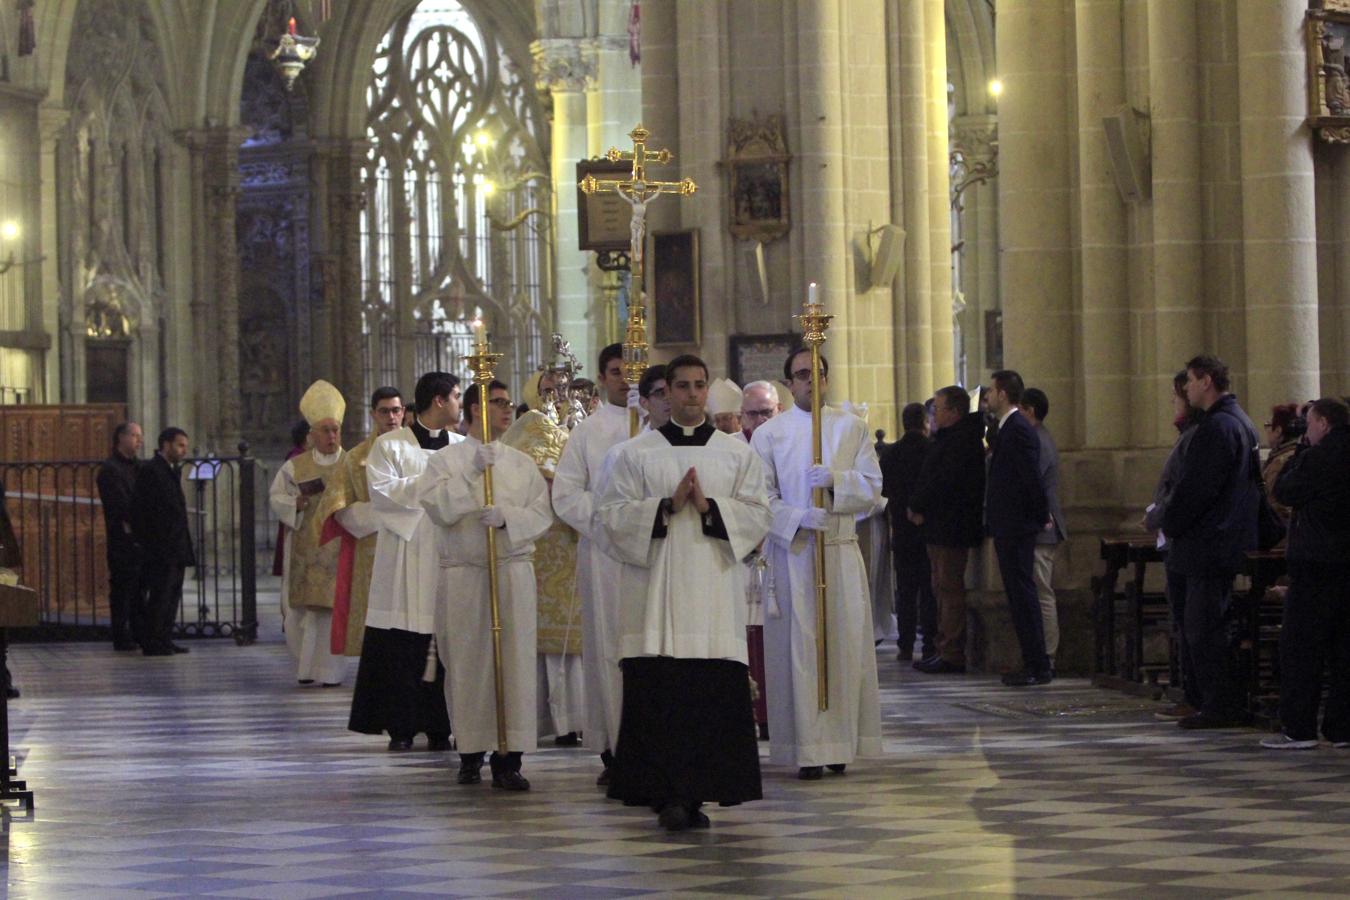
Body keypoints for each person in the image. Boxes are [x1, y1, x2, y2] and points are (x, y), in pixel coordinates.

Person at [596, 354, 772, 830]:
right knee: (661, 697)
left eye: (699, 386)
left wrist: (710, 507)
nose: (692, 394)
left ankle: (697, 795)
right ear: (666, 393)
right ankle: (665, 794)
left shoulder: (736, 454)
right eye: (682, 386)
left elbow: (759, 512)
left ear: (707, 390)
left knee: (706, 700)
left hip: (712, 596)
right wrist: (664, 508)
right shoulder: (636, 454)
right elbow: (609, 516)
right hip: (654, 596)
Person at [751, 348, 883, 780]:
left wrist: (837, 482)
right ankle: (806, 747)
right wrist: (796, 517)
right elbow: (757, 499)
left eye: (817, 372)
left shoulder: (852, 428)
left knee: (842, 645)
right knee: (800, 649)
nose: (810, 380)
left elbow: (873, 489)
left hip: (839, 550)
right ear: (789, 383)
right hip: (794, 554)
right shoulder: (769, 435)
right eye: (801, 374)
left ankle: (840, 743)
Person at [422, 379, 553, 791]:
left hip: (511, 570)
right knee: (467, 662)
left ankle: (509, 757)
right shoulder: (446, 460)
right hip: (466, 572)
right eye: (497, 402)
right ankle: (470, 750)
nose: (506, 409)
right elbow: (439, 508)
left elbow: (542, 512)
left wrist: (509, 518)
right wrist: (472, 475)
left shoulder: (520, 463)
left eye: (508, 402)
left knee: (513, 663)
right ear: (476, 409)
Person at [349, 373, 458, 752]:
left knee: (447, 640)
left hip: (447, 551)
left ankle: (443, 726)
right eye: (457, 397)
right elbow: (383, 494)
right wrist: (429, 487)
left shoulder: (461, 446)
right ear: (439, 401)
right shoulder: (390, 446)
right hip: (405, 552)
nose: (461, 404)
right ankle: (402, 725)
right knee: (402, 639)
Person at [1161, 354, 1260, 729]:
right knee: (1204, 624)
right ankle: (1216, 701)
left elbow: (1196, 490)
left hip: (1209, 543)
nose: (1185, 388)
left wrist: (1170, 521)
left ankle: (1221, 704)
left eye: (1189, 380)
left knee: (1204, 627)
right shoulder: (1237, 422)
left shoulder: (1219, 427)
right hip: (1220, 540)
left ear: (1206, 381)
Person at [551, 343, 633, 784]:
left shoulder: (658, 426)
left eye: (631, 370)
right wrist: (610, 520)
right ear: (602, 379)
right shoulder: (589, 432)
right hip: (605, 552)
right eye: (616, 371)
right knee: (609, 646)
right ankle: (614, 745)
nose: (625, 378)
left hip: (658, 554)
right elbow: (565, 494)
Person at [1262, 398, 1350, 749]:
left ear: (1324, 424)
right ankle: (1342, 728)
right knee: (1344, 650)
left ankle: (1298, 729)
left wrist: (1299, 449)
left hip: (1316, 565)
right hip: (1345, 565)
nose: (1306, 431)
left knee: (1301, 648)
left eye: (1309, 424)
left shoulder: (1319, 456)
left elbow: (1283, 489)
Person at [502, 371, 585, 746]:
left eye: (561, 389)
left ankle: (575, 719)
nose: (556, 395)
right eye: (547, 390)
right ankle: (546, 719)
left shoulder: (576, 428)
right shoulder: (527, 428)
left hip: (570, 541)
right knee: (542, 644)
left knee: (571, 641)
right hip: (540, 540)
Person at [269, 380, 348, 687]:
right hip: (303, 545)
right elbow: (277, 498)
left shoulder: (351, 463)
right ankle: (305, 669)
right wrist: (296, 503)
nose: (331, 436)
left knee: (331, 612)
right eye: (325, 430)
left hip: (339, 547)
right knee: (303, 614)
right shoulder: (294, 467)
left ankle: (331, 672)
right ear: (312, 434)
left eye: (335, 430)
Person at [317, 388, 404, 661]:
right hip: (372, 550)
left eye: (396, 410)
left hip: (412, 548)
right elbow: (337, 509)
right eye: (384, 411)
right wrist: (385, 514)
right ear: (372, 414)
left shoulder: (418, 451)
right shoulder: (355, 458)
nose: (391, 417)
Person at [907, 386, 986, 674]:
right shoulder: (951, 438)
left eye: (937, 409)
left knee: (949, 589)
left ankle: (952, 652)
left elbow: (944, 482)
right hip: (940, 525)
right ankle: (943, 647)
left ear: (954, 411)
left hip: (951, 526)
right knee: (940, 588)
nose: (933, 414)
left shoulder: (962, 441)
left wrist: (918, 505)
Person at [983, 370, 1052, 686]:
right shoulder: (1008, 427)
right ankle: (1033, 662)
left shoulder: (1019, 429)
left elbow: (1029, 477)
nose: (987, 397)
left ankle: (1037, 665)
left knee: (1023, 595)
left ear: (1003, 393)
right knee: (1018, 595)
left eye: (991, 392)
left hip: (1016, 524)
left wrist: (1040, 514)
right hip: (1008, 523)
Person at [1146, 370, 1207, 721]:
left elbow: (1185, 491)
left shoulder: (1198, 436)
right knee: (1186, 622)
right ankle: (1192, 694)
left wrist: (1158, 517)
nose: (1173, 402)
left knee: (1194, 624)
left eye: (1177, 396)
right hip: (1178, 540)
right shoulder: (1190, 436)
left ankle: (1198, 697)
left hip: (1189, 542)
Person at [736, 379, 781, 736]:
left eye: (766, 412)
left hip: (781, 552)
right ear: (741, 417)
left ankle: (776, 712)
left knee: (776, 635)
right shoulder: (731, 450)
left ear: (777, 411)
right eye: (752, 413)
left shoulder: (788, 444)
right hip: (740, 556)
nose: (760, 420)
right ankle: (747, 711)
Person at [879, 402, 936, 662]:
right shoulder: (932, 449)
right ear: (925, 422)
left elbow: (883, 490)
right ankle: (930, 646)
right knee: (928, 589)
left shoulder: (891, 453)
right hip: (928, 527)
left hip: (901, 527)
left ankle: (905, 644)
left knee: (905, 589)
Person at [130, 427, 194, 657]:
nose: (183, 450)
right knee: (160, 595)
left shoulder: (169, 470)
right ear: (166, 445)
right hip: (160, 546)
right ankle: (153, 641)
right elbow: (142, 510)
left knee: (172, 594)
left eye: (185, 446)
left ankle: (165, 638)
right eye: (180, 445)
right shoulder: (151, 470)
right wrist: (151, 540)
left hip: (174, 545)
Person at [1019, 387, 1066, 674]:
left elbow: (1033, 483)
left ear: (1030, 411)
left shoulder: (1039, 441)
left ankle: (1048, 654)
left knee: (1041, 591)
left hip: (1043, 527)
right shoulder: (1034, 438)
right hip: (1037, 525)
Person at [97, 422, 144, 651]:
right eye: (134, 435)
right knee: (123, 588)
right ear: (121, 438)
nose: (139, 440)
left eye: (140, 436)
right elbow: (120, 505)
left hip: (141, 537)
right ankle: (121, 634)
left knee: (139, 588)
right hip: (122, 538)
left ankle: (139, 631)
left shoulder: (137, 467)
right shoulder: (110, 469)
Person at [272, 420, 310, 578]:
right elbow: (278, 497)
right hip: (300, 525)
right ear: (307, 437)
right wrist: (297, 503)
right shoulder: (295, 460)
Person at [1262, 403, 1304, 525]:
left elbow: (1274, 501)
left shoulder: (1281, 461)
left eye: (1268, 425)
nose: (1266, 430)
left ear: (1278, 430)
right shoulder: (1298, 454)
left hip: (1279, 532)